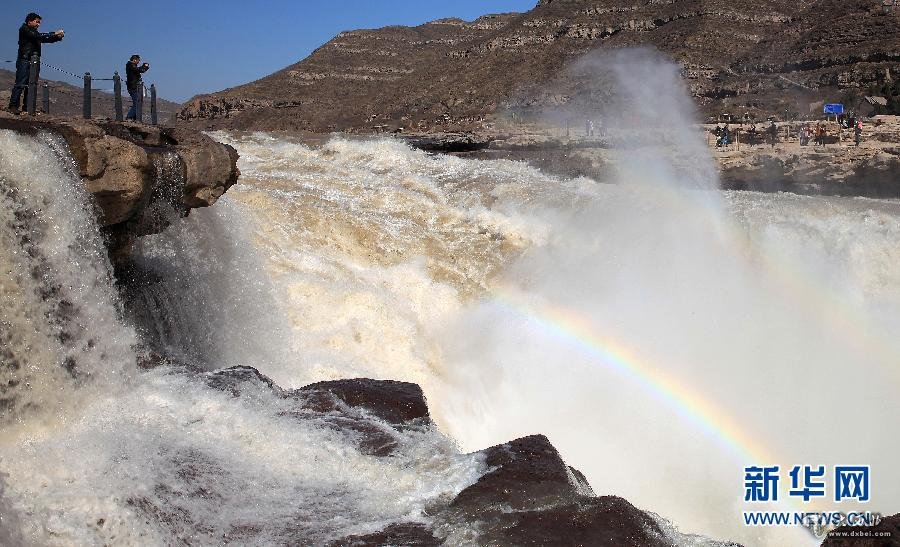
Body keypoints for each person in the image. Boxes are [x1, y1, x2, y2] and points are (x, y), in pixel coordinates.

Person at [7, 13, 64, 113]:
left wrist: (58, 37)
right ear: (30, 21)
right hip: (24, 60)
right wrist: (54, 33)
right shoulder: (24, 29)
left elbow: (44, 38)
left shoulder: (35, 33)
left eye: (39, 22)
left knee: (32, 84)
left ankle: (28, 107)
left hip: (34, 61)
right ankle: (13, 106)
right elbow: (39, 36)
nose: (38, 24)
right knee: (20, 83)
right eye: (37, 22)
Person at [125, 54, 150, 121]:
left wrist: (144, 67)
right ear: (134, 60)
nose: (138, 62)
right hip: (133, 87)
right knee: (136, 103)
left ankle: (135, 118)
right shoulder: (130, 65)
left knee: (138, 103)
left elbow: (139, 70)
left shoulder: (131, 65)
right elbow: (139, 70)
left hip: (135, 87)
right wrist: (145, 66)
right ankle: (129, 117)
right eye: (138, 60)